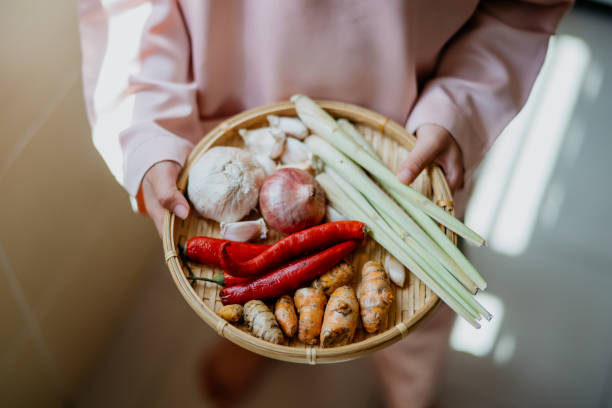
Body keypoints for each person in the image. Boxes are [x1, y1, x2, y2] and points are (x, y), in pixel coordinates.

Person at [78, 1, 572, 406]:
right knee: (250, 279)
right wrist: (150, 133)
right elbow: (128, 11)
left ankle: (411, 392)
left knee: (421, 302)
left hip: (407, 142)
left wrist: (460, 105)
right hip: (231, 135)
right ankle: (265, 333)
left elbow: (521, 9)